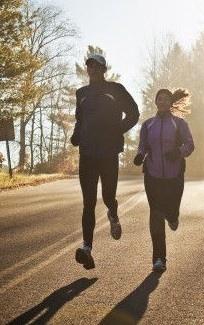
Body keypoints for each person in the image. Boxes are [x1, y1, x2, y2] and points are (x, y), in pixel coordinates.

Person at [71, 53, 139, 269]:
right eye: (89, 66)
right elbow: (80, 120)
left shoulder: (116, 89)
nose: (92, 69)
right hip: (87, 153)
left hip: (109, 153)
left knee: (108, 196)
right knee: (88, 202)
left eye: (97, 66)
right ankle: (87, 249)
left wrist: (117, 130)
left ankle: (113, 213)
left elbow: (134, 113)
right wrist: (76, 135)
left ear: (104, 69)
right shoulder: (81, 93)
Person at [133, 88, 194, 272]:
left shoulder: (179, 123)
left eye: (166, 99)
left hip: (174, 176)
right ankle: (159, 258)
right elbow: (143, 146)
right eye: (160, 99)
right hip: (153, 176)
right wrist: (139, 156)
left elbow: (190, 145)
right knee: (156, 214)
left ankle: (173, 216)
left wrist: (178, 152)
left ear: (170, 102)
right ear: (156, 102)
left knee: (171, 211)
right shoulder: (148, 125)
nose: (163, 102)